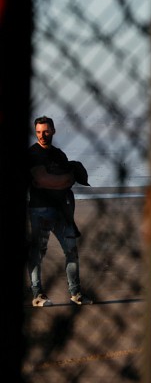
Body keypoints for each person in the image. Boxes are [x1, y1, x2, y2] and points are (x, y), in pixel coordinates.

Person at [27, 116, 93, 306]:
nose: (42, 136)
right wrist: (63, 179)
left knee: (71, 251)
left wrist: (62, 179)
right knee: (38, 253)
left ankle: (76, 293)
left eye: (46, 131)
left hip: (62, 212)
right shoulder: (33, 154)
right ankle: (37, 295)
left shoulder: (59, 154)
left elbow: (68, 180)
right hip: (39, 210)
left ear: (53, 131)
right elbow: (42, 180)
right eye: (39, 132)